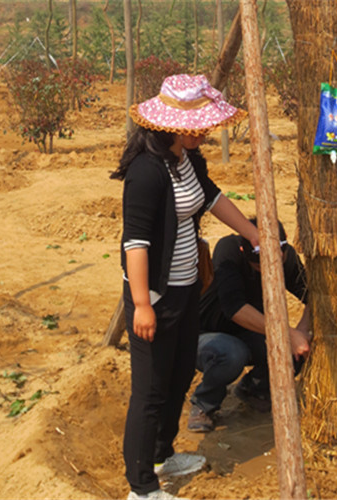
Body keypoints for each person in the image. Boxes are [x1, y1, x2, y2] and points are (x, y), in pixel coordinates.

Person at [111, 74, 259, 500]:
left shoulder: (189, 160)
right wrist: (141, 305)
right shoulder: (146, 173)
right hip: (154, 296)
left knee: (177, 378)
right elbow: (135, 243)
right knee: (150, 389)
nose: (202, 132)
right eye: (194, 125)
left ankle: (163, 455)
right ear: (169, 123)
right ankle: (141, 487)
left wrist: (253, 233)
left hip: (187, 288)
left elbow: (211, 199)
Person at [187, 219, 311, 432]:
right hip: (206, 335)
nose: (266, 273)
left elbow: (313, 296)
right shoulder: (229, 251)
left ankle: (254, 388)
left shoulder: (286, 257)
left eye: (272, 265)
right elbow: (235, 310)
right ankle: (203, 403)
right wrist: (287, 333)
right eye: (258, 266)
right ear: (244, 250)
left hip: (252, 333)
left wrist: (301, 330)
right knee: (233, 353)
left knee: (297, 352)